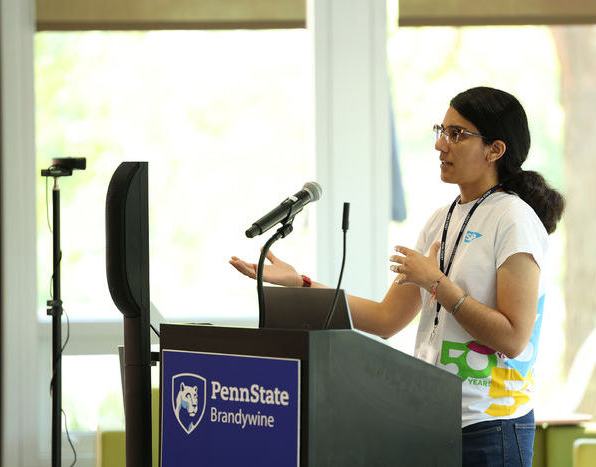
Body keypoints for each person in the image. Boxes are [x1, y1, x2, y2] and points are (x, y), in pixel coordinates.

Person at [230, 86, 564, 466]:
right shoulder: (442, 218)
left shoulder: (514, 218)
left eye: (456, 134)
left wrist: (436, 283)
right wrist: (302, 285)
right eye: (442, 130)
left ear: (495, 150)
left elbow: (514, 338)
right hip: (433, 418)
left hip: (491, 425)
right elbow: (385, 319)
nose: (440, 144)